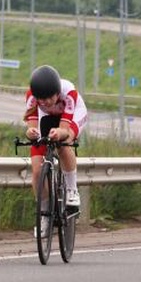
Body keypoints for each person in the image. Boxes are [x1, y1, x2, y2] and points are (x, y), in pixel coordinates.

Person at [23, 64, 87, 237]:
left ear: (57, 93)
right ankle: (44, 215)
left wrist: (60, 133)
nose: (44, 103)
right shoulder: (32, 97)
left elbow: (64, 129)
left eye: (48, 99)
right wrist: (31, 132)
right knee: (37, 170)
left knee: (64, 142)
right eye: (40, 100)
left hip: (73, 116)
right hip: (47, 118)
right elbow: (31, 127)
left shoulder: (69, 94)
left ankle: (72, 189)